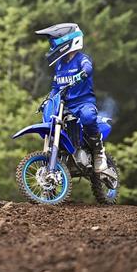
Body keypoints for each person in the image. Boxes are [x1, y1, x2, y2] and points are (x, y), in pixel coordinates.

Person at [37, 22, 108, 174]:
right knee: (51, 121)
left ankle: (98, 151)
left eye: (53, 42)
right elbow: (56, 87)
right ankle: (60, 158)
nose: (51, 45)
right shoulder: (60, 65)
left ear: (66, 41)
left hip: (83, 102)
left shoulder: (82, 59)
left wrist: (82, 74)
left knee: (88, 117)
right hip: (65, 105)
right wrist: (48, 100)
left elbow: (88, 67)